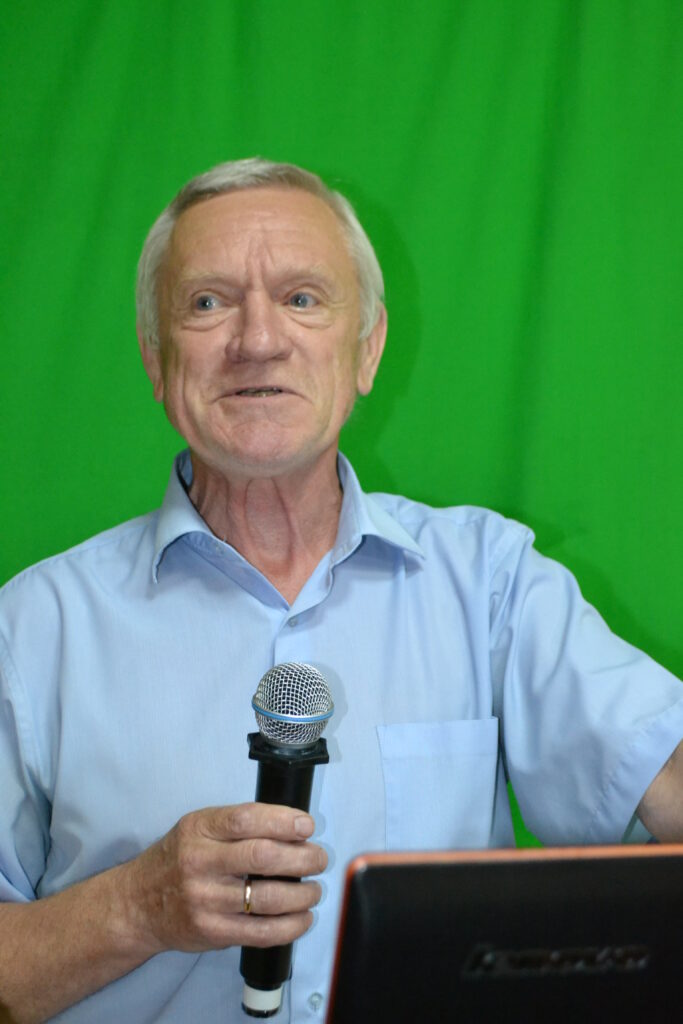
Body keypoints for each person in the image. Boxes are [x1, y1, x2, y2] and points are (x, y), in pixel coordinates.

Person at [0, 158, 681, 1024]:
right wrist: (136, 907)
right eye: (207, 302)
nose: (257, 339)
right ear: (155, 357)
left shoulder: (489, 582)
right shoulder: (34, 628)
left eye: (301, 298)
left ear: (366, 349)